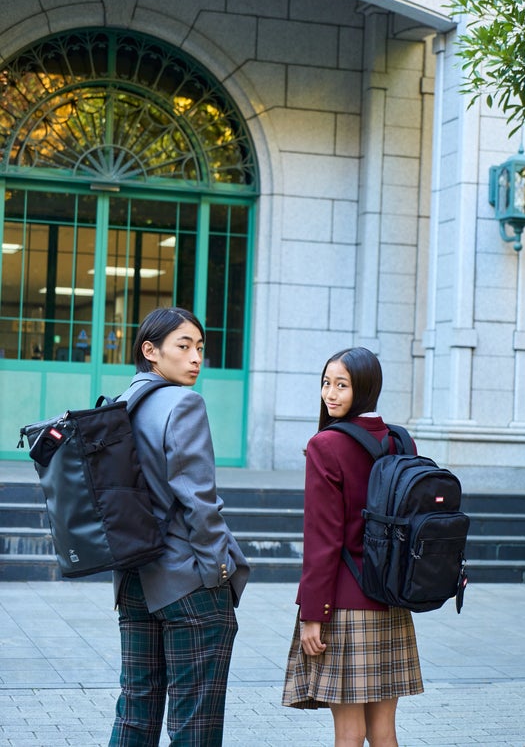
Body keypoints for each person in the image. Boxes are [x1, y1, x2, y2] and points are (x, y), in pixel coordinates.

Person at [109, 307, 250, 747]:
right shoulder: (184, 403)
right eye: (184, 346)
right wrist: (218, 571)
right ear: (150, 351)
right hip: (186, 581)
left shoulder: (120, 404)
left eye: (200, 348)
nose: (195, 358)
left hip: (133, 578)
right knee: (195, 725)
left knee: (135, 712)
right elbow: (198, 501)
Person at [282, 347, 423, 747]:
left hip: (344, 605)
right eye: (326, 383)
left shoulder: (326, 444)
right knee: (384, 731)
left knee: (349, 733)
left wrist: (313, 614)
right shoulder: (400, 439)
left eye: (342, 385)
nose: (330, 393)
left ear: (365, 388)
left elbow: (322, 539)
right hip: (391, 600)